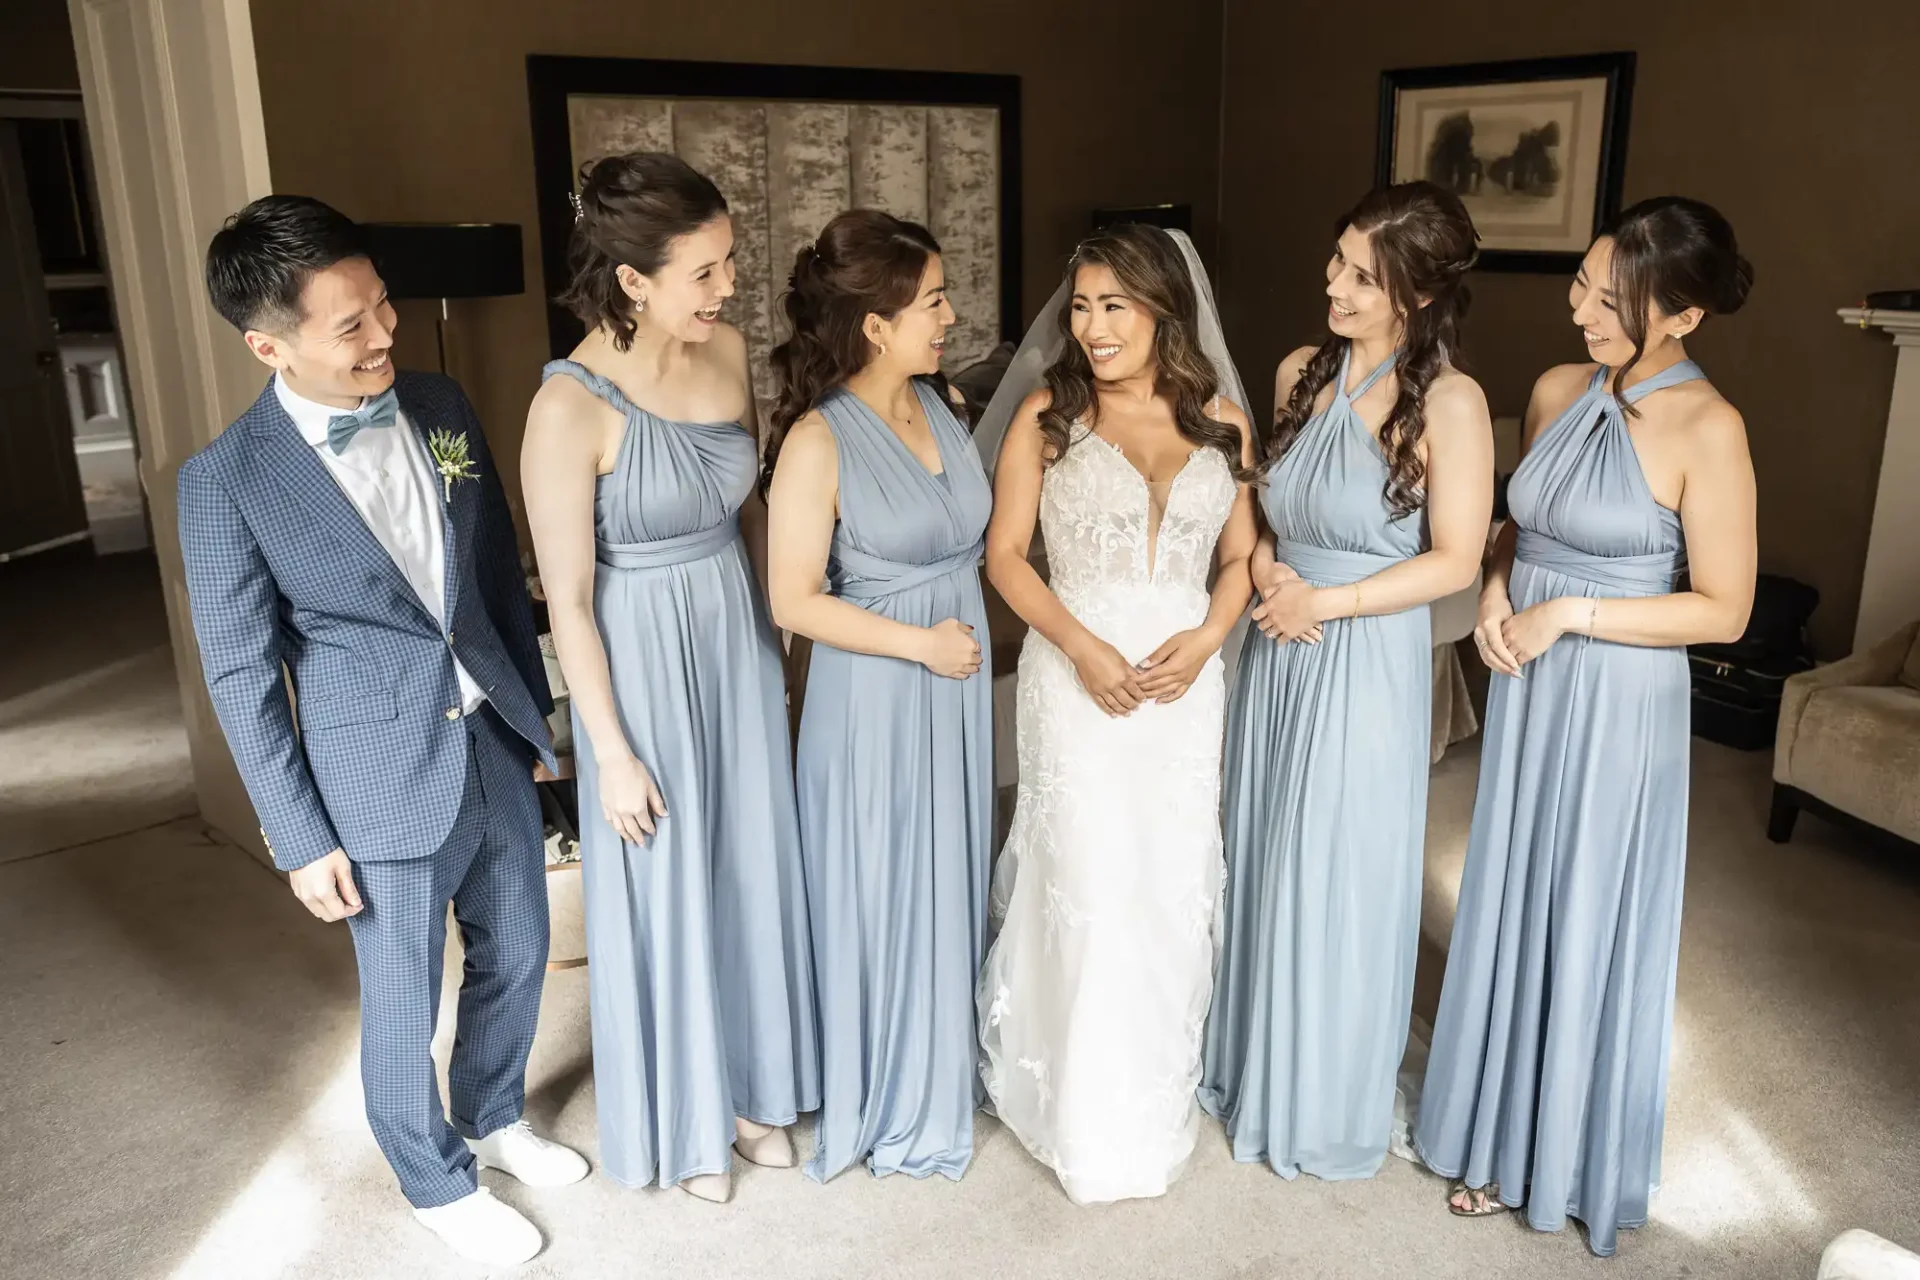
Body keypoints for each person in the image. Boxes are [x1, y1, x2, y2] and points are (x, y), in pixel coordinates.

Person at [178, 195, 586, 1267]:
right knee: (405, 989)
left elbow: (493, 570)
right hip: (373, 773)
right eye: (349, 323)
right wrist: (298, 832)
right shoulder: (223, 481)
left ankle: (494, 1114)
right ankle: (432, 1178)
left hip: (489, 739)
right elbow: (239, 669)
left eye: (384, 304)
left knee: (522, 949)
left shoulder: (443, 402)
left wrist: (530, 714)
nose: (384, 333)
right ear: (270, 343)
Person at [1416, 196, 1756, 1258]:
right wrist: (1495, 591)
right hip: (1529, 674)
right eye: (1584, 284)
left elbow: (1726, 609)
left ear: (1685, 317)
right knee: (1509, 885)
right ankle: (1484, 1124)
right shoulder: (1559, 389)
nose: (1584, 312)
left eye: (1615, 301)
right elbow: (1522, 524)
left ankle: (1558, 1150)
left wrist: (1574, 610)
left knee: (1586, 905)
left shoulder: (1712, 429)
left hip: (1619, 694)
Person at [520, 153, 818, 1205]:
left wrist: (778, 641)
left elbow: (744, 510)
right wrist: (606, 751)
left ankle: (756, 1085)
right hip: (637, 656)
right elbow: (569, 601)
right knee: (668, 874)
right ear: (633, 278)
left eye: (729, 261)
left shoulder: (729, 352)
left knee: (750, 859)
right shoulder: (566, 406)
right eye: (706, 270)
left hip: (732, 635)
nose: (729, 286)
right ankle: (691, 1114)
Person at [1200, 182, 1493, 1183]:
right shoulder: (1297, 368)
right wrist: (1274, 572)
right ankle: (1245, 1056)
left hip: (1360, 656)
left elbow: (1455, 559)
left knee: (1334, 865)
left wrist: (1328, 605)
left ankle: (1319, 1086)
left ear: (1415, 292)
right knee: (1259, 840)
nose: (1333, 283)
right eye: (1336, 261)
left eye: (1361, 276)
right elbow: (1270, 502)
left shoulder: (1451, 402)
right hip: (1276, 635)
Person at [970, 224, 1256, 1204]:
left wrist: (1215, 631)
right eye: (1082, 304)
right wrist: (1081, 643)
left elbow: (1240, 557)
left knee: (1169, 882)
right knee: (1087, 880)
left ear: (1164, 309)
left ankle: (1156, 1090)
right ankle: (1084, 1110)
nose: (1092, 326)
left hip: (1184, 687)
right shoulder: (1049, 414)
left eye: (1114, 306)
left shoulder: (1220, 416)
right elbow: (1006, 555)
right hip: (1077, 680)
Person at [763, 209, 994, 1183]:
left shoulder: (941, 402)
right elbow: (791, 598)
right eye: (932, 297)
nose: (950, 312)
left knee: (949, 871)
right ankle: (885, 1079)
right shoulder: (820, 440)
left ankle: (942, 1054)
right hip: (877, 694)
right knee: (882, 883)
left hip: (954, 687)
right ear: (874, 321)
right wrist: (921, 643)